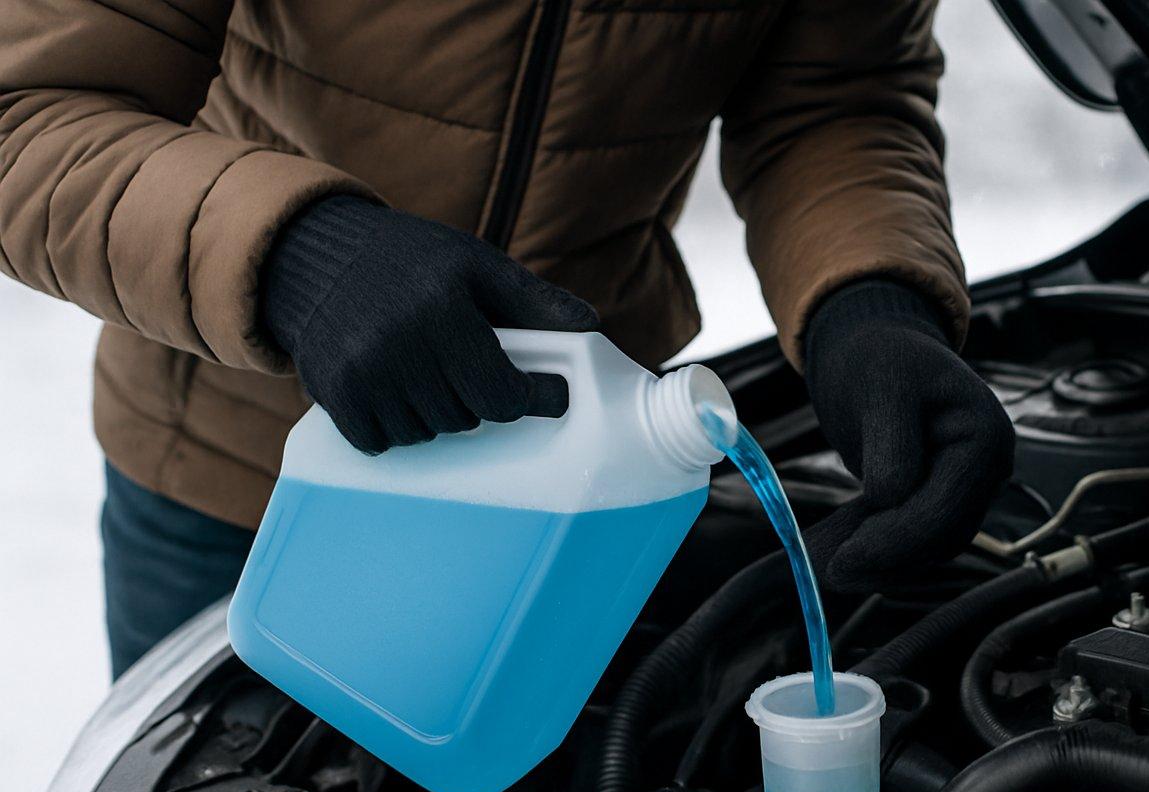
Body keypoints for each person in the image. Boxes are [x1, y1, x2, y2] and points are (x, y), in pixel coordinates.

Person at [0, 1, 1014, 678]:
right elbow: (26, 114)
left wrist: (871, 305)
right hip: (243, 484)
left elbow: (836, 101)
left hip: (575, 496)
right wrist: (300, 259)